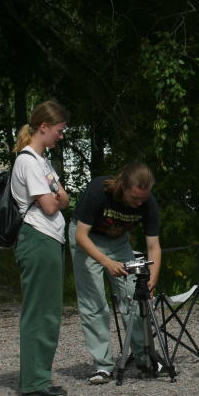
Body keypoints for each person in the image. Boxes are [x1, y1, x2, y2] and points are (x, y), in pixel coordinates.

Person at [69, 162, 161, 384]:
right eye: (135, 198)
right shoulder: (99, 191)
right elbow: (81, 236)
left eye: (143, 199)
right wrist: (106, 262)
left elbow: (153, 246)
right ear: (123, 187)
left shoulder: (148, 203)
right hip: (87, 240)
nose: (139, 203)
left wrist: (152, 280)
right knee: (94, 302)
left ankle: (145, 359)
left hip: (119, 243)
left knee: (134, 297)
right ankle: (103, 366)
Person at [11, 100, 70, 396]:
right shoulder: (28, 161)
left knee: (49, 311)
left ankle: (39, 377)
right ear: (44, 127)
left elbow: (65, 199)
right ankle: (34, 381)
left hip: (49, 239)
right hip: (37, 238)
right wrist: (56, 196)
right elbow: (50, 205)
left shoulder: (42, 160)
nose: (61, 135)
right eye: (59, 129)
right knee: (39, 311)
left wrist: (57, 197)